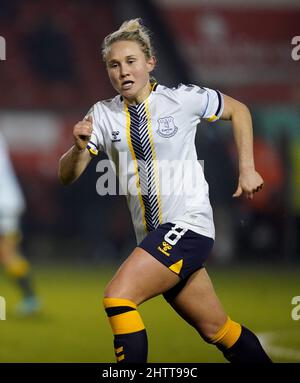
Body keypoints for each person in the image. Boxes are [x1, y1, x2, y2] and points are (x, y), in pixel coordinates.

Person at [58, 19, 271, 363]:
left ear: (150, 63)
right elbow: (68, 175)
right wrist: (80, 148)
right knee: (218, 329)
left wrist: (247, 168)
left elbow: (238, 110)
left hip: (188, 227)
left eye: (131, 61)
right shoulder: (102, 114)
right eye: (114, 64)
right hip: (154, 238)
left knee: (118, 297)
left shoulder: (181, 100)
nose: (123, 71)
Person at [0, 130, 40, 316]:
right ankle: (31, 299)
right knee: (7, 254)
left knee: (7, 254)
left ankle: (31, 299)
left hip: (4, 203)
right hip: (8, 201)